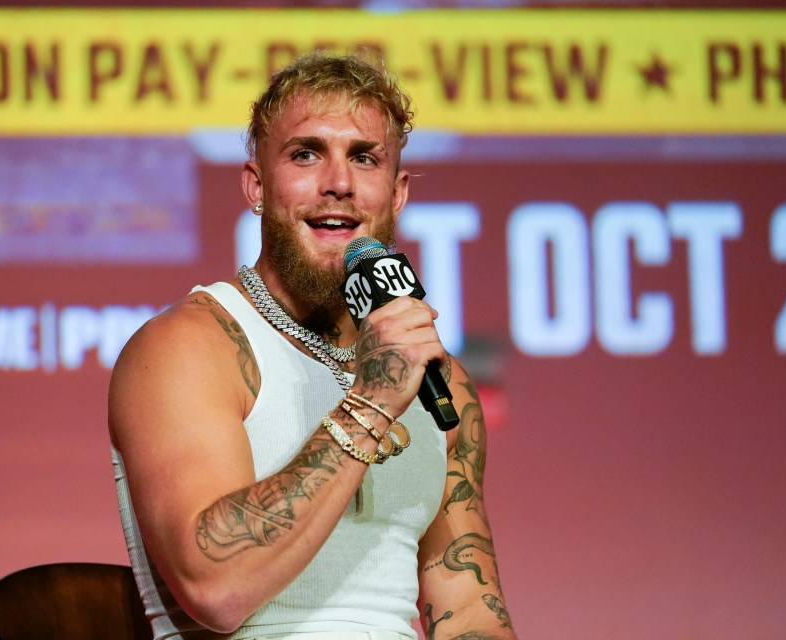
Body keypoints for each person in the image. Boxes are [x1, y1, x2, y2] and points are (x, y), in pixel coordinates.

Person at [109, 52, 517, 640]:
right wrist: (371, 402)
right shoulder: (187, 348)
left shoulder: (438, 381)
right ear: (256, 186)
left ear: (397, 194)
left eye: (364, 158)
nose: (339, 184)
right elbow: (214, 588)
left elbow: (471, 611)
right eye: (306, 154)